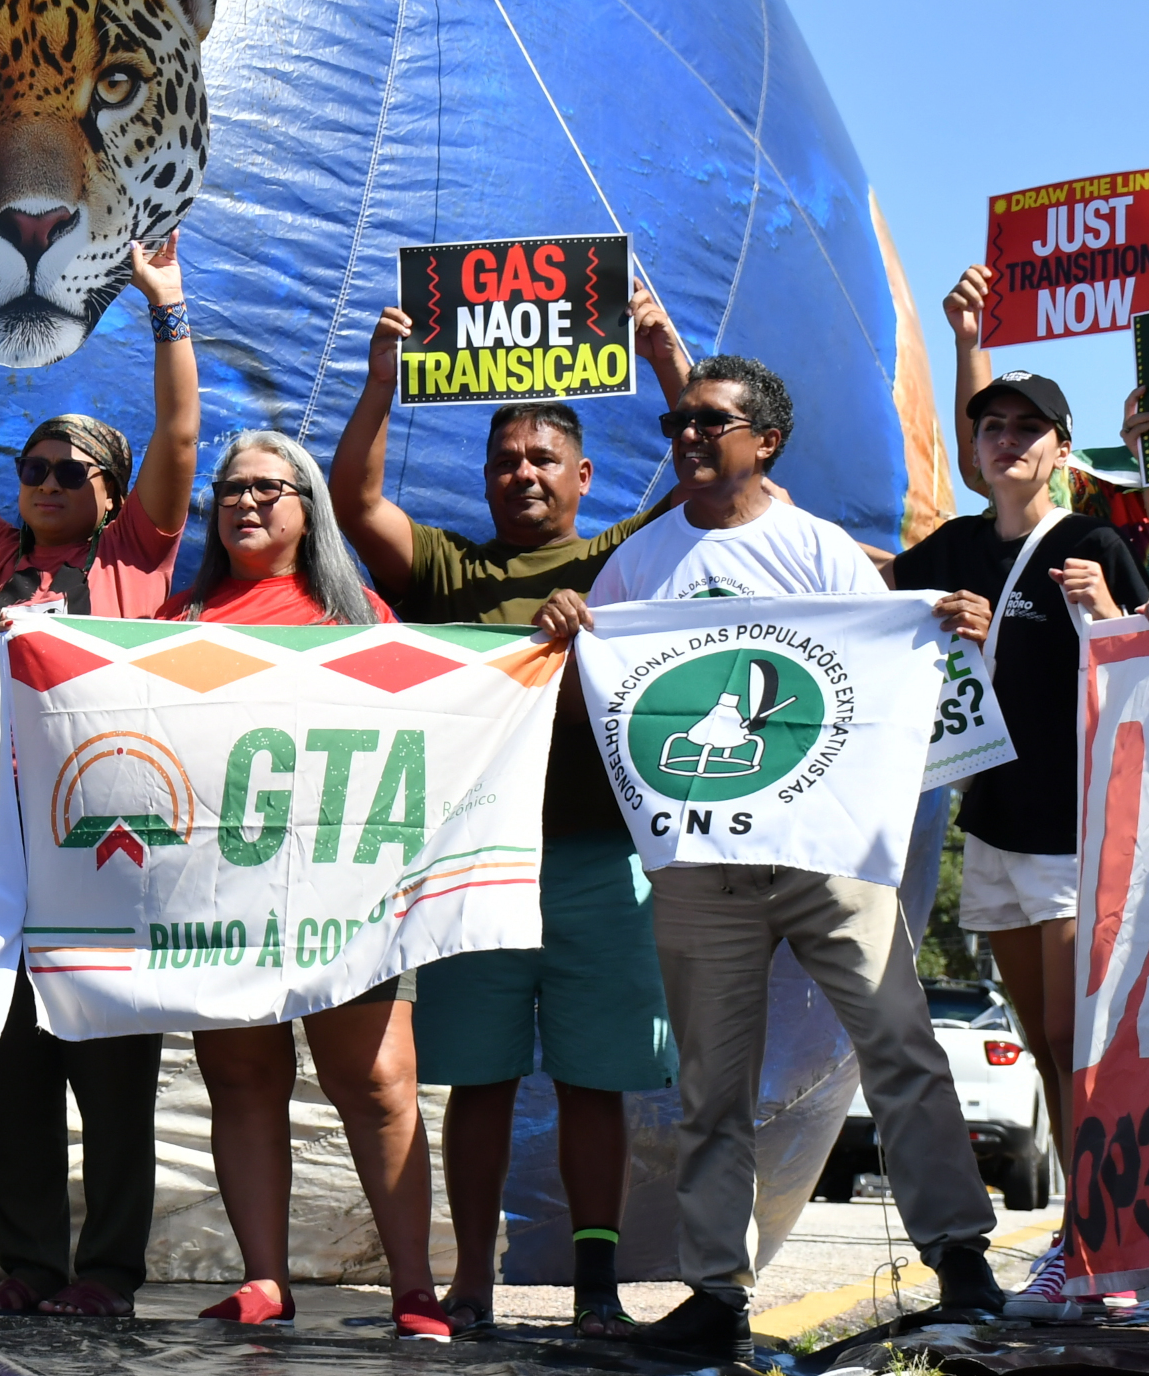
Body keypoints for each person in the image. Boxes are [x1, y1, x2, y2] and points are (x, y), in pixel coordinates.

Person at [532, 354, 1006, 1361]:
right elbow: (594, 704)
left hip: (826, 851)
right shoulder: (636, 567)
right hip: (701, 870)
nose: (688, 437)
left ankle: (961, 1261)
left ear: (766, 440)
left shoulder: (817, 549)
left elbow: (885, 655)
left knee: (900, 1045)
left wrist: (944, 624)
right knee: (711, 1088)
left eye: (709, 421)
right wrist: (571, 636)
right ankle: (716, 1294)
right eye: (675, 423)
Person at [327, 286, 691, 1338]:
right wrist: (381, 387)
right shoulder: (451, 568)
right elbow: (357, 509)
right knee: (478, 1083)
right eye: (505, 460)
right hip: (477, 866)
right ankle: (472, 1284)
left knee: (594, 1083)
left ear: (584, 477)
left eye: (543, 460)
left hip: (598, 863)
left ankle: (596, 1288)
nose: (522, 473)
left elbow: (707, 467)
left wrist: (662, 346)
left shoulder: (624, 559)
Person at [0, 236, 199, 1318]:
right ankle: (30, 1262)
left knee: (113, 1080)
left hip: (107, 849)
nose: (49, 484)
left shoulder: (138, 559)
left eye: (73, 473)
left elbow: (178, 433)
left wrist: (166, 306)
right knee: (8, 1068)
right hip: (3, 852)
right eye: (33, 469)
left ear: (113, 496)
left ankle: (109, 1271)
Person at [145, 431, 446, 1335]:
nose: (245, 503)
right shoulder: (173, 622)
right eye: (231, 490)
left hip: (343, 889)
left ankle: (414, 1288)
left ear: (308, 505)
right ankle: (265, 1281)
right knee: (239, 1078)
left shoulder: (364, 622)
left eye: (269, 489)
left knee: (380, 1082)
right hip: (218, 889)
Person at [894, 268, 1146, 1318]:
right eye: (991, 427)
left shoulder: (1096, 546)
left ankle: (1098, 1248)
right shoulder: (953, 549)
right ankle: (1085, 1239)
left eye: (1026, 430)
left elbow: (1136, 673)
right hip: (991, 832)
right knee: (1046, 1051)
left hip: (1074, 841)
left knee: (1074, 1049)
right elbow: (860, 601)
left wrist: (1107, 611)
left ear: (1062, 451)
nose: (1005, 442)